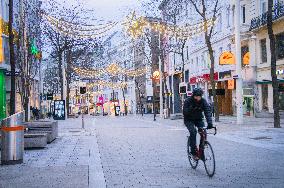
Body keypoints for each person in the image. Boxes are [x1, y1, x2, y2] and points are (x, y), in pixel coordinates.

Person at [183, 88, 213, 160]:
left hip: (198, 119)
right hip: (188, 120)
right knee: (193, 132)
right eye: (196, 96)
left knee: (203, 133)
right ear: (193, 95)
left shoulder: (203, 101)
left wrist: (209, 122)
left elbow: (207, 111)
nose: (198, 98)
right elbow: (184, 112)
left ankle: (201, 151)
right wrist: (191, 108)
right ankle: (193, 153)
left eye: (199, 96)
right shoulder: (188, 101)